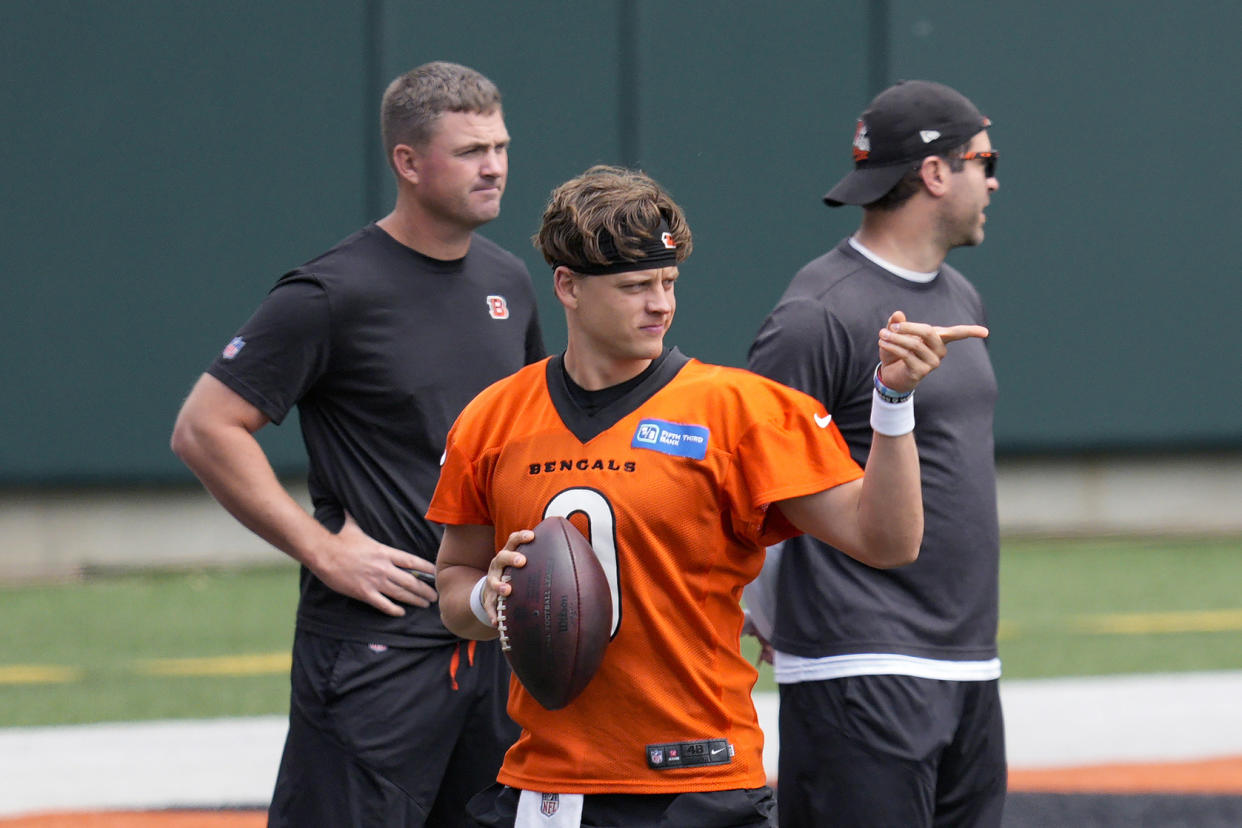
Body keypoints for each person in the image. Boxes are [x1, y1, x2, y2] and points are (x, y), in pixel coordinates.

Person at [427, 165, 987, 828]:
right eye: (636, 286)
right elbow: (452, 590)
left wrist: (892, 401)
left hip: (698, 783)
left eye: (668, 282)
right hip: (551, 788)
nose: (660, 304)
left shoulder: (740, 411)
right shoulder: (492, 419)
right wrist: (488, 598)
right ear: (567, 287)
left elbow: (888, 541)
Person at [171, 61, 545, 826]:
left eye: (501, 146)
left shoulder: (510, 280)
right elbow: (205, 427)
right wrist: (321, 548)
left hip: (490, 633)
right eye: (472, 150)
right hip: (377, 649)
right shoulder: (332, 292)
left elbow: (531, 439)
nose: (495, 166)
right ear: (408, 162)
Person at [746, 79, 1004, 827]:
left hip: (967, 663)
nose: (993, 180)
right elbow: (749, 476)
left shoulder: (961, 297)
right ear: (933, 173)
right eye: (983, 160)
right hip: (856, 666)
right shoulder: (817, 312)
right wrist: (763, 611)